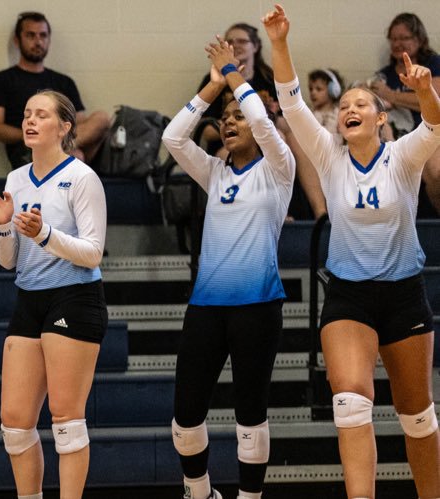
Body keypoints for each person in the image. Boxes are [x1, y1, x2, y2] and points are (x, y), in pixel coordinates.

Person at [266, 5, 440, 498]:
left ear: (381, 119)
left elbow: (435, 124)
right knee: (350, 403)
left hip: (405, 295)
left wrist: (425, 89)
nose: (349, 110)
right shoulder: (328, 156)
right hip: (348, 298)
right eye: (345, 106)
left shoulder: (403, 155)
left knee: (417, 417)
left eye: (361, 104)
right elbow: (294, 106)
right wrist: (280, 45)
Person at [162, 38, 297, 499]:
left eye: (236, 116)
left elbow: (261, 116)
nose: (230, 121)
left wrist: (234, 75)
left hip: (258, 305)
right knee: (184, 417)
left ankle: (250, 496)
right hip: (206, 307)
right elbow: (173, 137)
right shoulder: (214, 172)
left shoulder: (279, 167)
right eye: (225, 119)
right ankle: (198, 491)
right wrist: (213, 85)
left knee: (249, 415)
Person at [0, 90, 106, 499]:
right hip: (29, 299)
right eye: (27, 113)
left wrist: (45, 234)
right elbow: (8, 260)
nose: (30, 121)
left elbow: (92, 252)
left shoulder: (82, 178)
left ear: (65, 127)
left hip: (75, 297)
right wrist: (2, 226)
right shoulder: (16, 179)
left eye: (42, 115)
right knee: (14, 425)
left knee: (66, 421)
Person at [0, 11, 110, 168]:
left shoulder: (64, 82)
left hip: (66, 144)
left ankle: (57, 147)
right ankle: (56, 148)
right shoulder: (2, 80)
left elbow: (81, 124)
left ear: (49, 40)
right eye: (31, 35)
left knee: (102, 118)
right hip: (28, 149)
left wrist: (56, 139)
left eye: (43, 36)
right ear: (17, 40)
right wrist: (35, 135)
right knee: (76, 156)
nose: (38, 41)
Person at [372, 13, 440, 216]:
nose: (397, 43)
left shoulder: (433, 64)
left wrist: (391, 95)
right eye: (393, 39)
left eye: (404, 38)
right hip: (398, 138)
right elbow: (377, 105)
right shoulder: (384, 74)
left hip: (431, 134)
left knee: (435, 172)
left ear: (418, 39)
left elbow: (435, 101)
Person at [307, 68, 345, 134]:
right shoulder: (308, 113)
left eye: (318, 89)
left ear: (333, 91)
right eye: (311, 89)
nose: (313, 93)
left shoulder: (339, 115)